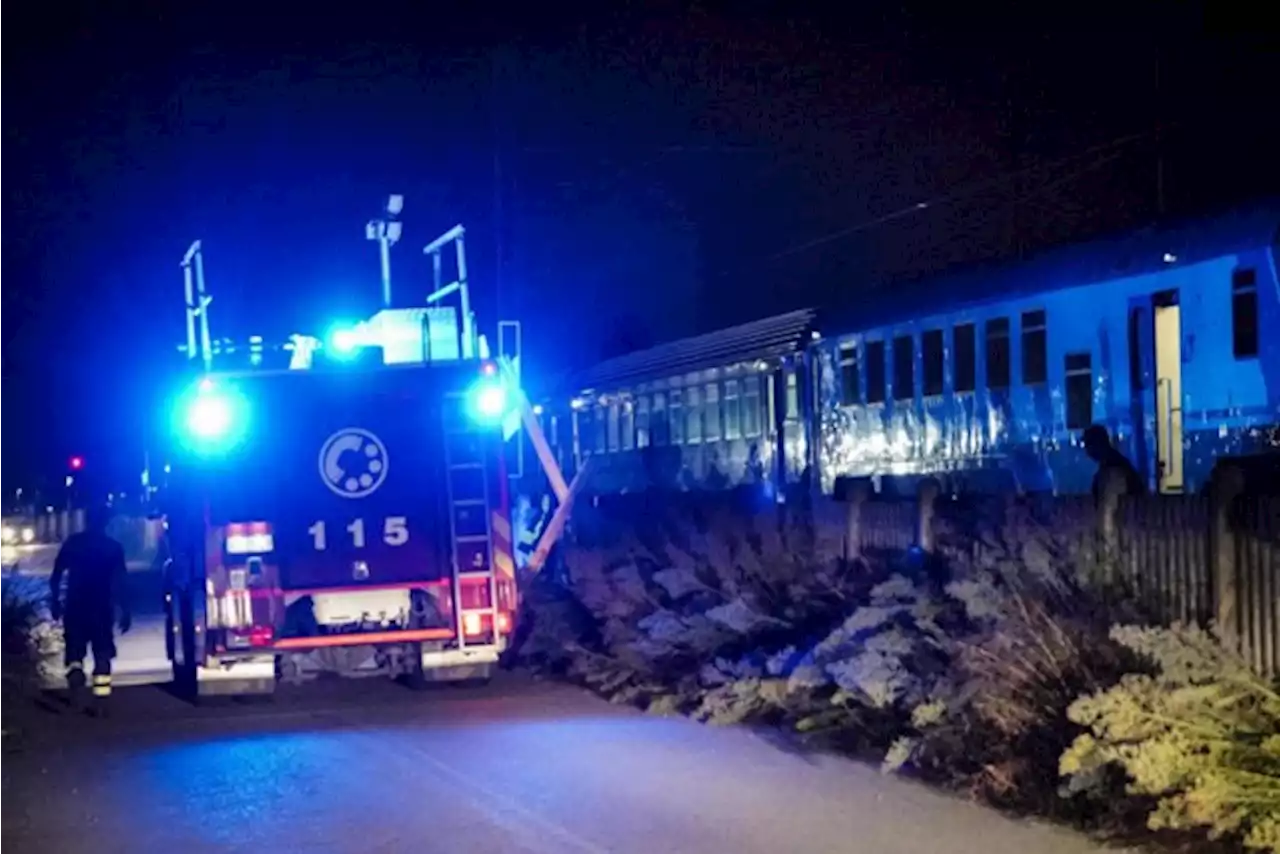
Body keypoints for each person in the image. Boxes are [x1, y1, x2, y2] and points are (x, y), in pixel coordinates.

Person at [49, 505, 132, 716]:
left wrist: (55, 602)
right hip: (101, 608)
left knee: (75, 653)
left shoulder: (73, 543)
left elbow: (56, 574)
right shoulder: (113, 547)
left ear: (85, 520)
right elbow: (121, 581)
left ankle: (76, 689)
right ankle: (100, 702)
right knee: (102, 654)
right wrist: (126, 609)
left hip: (75, 606)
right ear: (106, 522)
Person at [1083, 424, 1146, 504]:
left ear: (1098, 443)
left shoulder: (1114, 469)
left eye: (1088, 444)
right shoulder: (1111, 464)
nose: (1086, 450)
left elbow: (1112, 503)